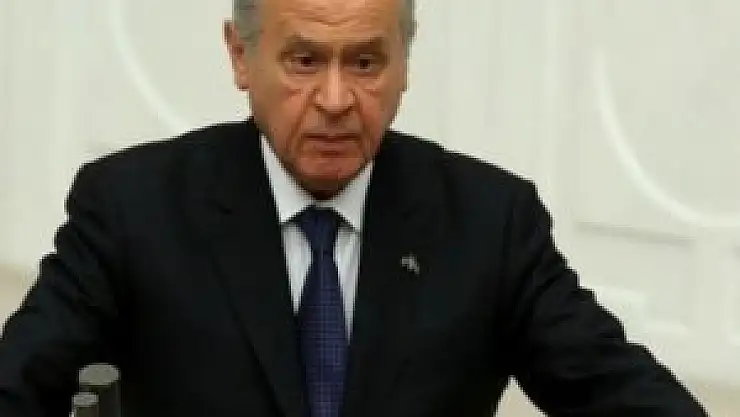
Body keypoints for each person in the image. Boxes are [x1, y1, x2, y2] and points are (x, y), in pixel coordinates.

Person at [0, 0, 709, 416]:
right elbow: (21, 382)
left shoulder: (489, 223)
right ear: (241, 57)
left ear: (404, 62)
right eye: (304, 62)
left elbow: (619, 391)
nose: (337, 100)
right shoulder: (133, 209)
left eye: (365, 63)